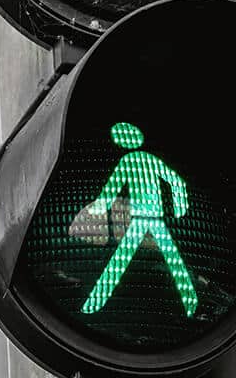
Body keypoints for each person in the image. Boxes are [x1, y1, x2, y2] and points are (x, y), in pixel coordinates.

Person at [81, 122, 199, 317]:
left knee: (120, 259)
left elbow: (113, 187)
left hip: (141, 219)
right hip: (155, 218)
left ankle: (95, 302)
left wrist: (99, 208)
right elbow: (176, 181)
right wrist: (180, 207)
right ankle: (191, 302)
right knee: (173, 260)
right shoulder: (152, 160)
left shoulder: (129, 160)